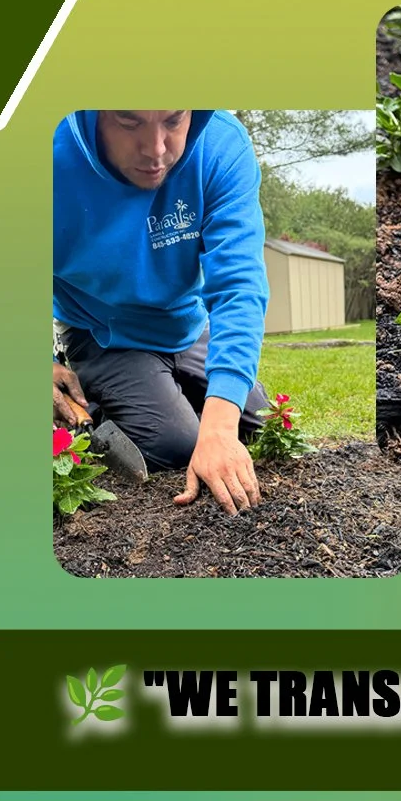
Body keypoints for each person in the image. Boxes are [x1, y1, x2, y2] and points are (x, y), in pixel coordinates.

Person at [52, 110, 270, 515]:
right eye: (129, 121)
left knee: (256, 421)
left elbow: (239, 285)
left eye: (173, 120)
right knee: (177, 445)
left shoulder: (221, 146)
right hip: (102, 331)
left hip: (185, 323)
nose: (155, 150)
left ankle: (174, 398)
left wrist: (221, 427)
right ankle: (94, 408)